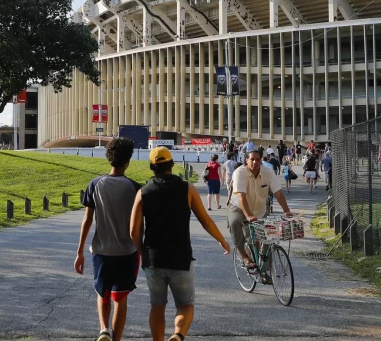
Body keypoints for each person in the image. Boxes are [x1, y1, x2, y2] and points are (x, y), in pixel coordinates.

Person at [130, 147, 230, 341]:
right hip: (180, 257)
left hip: (153, 259)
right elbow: (205, 221)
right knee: (184, 305)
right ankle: (178, 335)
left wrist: (142, 252)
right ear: (172, 164)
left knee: (157, 306)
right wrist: (223, 241)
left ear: (152, 167)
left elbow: (134, 231)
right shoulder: (187, 188)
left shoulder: (143, 193)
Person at [74, 137, 141, 341]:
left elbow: (87, 220)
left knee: (102, 293)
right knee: (119, 297)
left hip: (101, 251)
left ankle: (103, 329)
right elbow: (140, 225)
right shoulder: (135, 188)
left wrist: (79, 252)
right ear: (128, 161)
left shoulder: (95, 184)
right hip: (127, 252)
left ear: (108, 158)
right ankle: (116, 338)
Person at [228, 150, 294, 277]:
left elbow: (278, 192)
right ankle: (244, 256)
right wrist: (248, 216)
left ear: (261, 160)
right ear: (246, 160)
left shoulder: (268, 172)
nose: (255, 162)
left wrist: (287, 211)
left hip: (259, 210)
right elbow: (241, 196)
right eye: (252, 159)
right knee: (235, 222)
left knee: (265, 237)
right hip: (239, 207)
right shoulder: (239, 173)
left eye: (258, 159)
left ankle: (263, 271)